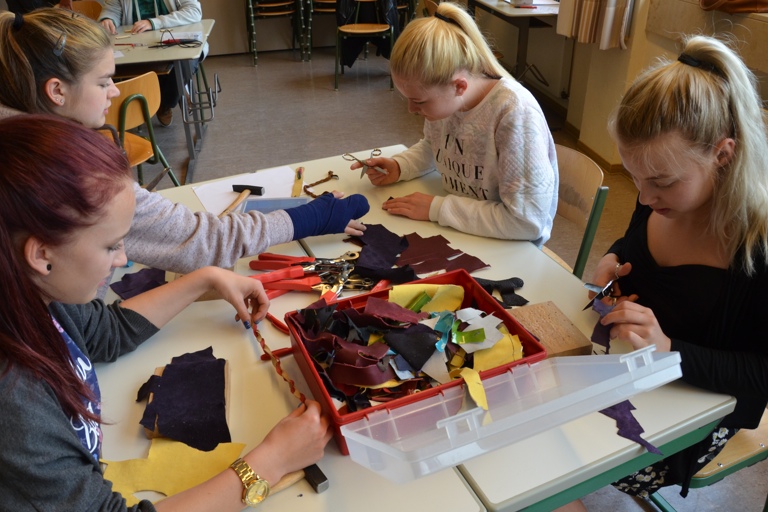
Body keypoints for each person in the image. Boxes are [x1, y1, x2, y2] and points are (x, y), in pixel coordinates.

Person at [0, 115, 332, 511]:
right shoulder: (16, 403)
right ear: (41, 254)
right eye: (110, 246)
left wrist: (204, 278)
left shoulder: (34, 298)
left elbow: (105, 331)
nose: (123, 260)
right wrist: (269, 463)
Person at [0, 8, 369, 296]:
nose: (114, 91)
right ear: (57, 91)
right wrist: (312, 217)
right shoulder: (65, 171)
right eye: (103, 81)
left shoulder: (24, 140)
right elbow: (201, 240)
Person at [558, 35, 768, 511]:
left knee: (541, 453)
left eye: (661, 182)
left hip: (693, 416)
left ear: (723, 153)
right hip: (626, 371)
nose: (644, 196)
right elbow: (634, 241)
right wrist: (613, 258)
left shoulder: (756, 246)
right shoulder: (656, 189)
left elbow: (762, 371)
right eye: (634, 177)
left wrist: (670, 350)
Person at [348, 2, 558, 246]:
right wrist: (400, 165)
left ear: (459, 86)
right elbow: (435, 146)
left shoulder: (514, 113)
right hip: (462, 229)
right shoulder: (447, 103)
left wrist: (437, 208)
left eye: (419, 101)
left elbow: (527, 221)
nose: (411, 110)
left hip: (510, 245)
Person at [99, 0, 201, 127]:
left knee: (184, 64)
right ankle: (172, 95)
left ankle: (165, 104)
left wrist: (155, 22)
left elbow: (194, 11)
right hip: (136, 48)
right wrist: (108, 19)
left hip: (173, 42)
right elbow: (112, 11)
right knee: (113, 65)